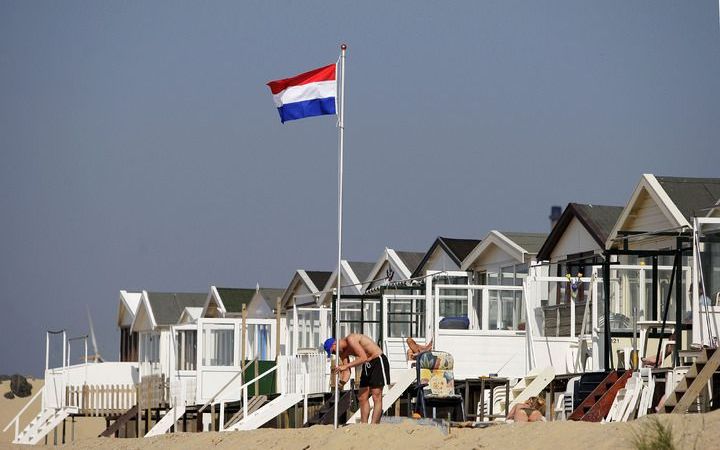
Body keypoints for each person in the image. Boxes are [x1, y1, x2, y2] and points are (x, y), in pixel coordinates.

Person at [324, 334, 390, 424]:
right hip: (367, 364)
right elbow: (347, 372)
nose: (334, 354)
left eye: (333, 351)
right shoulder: (342, 353)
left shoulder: (351, 339)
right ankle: (364, 425)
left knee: (376, 395)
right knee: (362, 397)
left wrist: (345, 366)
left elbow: (363, 358)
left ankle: (374, 425)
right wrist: (341, 383)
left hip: (377, 360)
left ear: (335, 344)